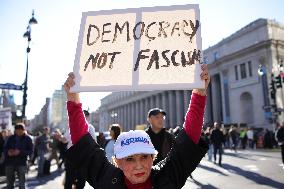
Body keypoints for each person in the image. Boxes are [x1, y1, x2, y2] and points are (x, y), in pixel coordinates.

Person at [64, 64, 210, 188]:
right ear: (118, 162)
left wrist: (199, 92)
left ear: (154, 157)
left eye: (145, 156)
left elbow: (188, 140)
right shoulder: (107, 180)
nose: (139, 165)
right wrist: (73, 99)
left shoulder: (167, 177)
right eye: (129, 159)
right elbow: (83, 143)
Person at [4, 123, 33, 189]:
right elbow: (5, 148)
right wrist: (8, 152)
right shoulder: (10, 138)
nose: (18, 132)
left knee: (22, 182)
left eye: (20, 131)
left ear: (23, 130)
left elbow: (30, 151)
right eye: (17, 131)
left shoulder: (28, 139)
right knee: (9, 182)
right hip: (10, 162)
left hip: (22, 162)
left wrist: (20, 152)